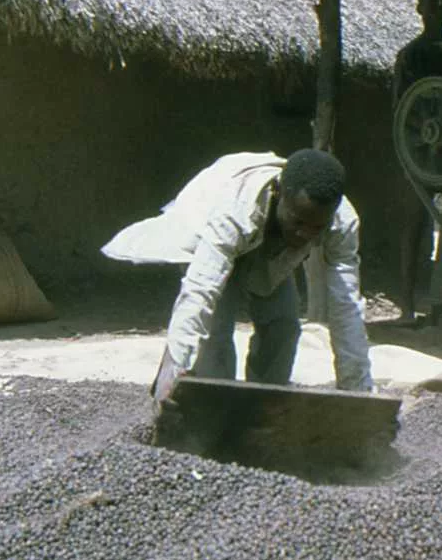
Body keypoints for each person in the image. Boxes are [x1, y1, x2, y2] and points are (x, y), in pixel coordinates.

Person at [101, 149, 373, 408]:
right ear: (280, 194)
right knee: (214, 339)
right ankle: (213, 416)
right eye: (298, 221)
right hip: (209, 232)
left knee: (284, 328)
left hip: (269, 251)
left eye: (317, 227)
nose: (306, 234)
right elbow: (199, 292)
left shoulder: (342, 222)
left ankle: (262, 409)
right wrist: (174, 370)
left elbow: (346, 305)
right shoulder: (234, 210)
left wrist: (358, 393)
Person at [391, 0, 442, 322]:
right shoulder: (410, 56)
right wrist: (409, 152)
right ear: (420, 11)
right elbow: (401, 109)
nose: (437, 13)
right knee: (413, 226)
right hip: (419, 153)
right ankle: (405, 305)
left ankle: (441, 300)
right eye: (432, 6)